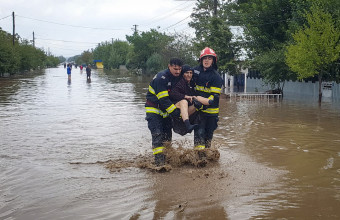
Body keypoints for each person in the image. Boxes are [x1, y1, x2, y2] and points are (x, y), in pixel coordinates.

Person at [145, 58, 183, 167]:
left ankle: (167, 159)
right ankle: (159, 164)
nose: (177, 71)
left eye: (179, 69)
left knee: (167, 136)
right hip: (154, 109)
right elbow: (164, 100)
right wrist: (176, 113)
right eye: (175, 69)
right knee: (157, 134)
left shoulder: (177, 77)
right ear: (169, 66)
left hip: (165, 111)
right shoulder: (161, 78)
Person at [169, 64, 216, 136]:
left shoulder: (191, 84)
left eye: (191, 73)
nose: (189, 75)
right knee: (184, 101)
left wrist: (194, 97)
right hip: (177, 109)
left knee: (197, 99)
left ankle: (210, 102)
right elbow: (172, 94)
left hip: (186, 111)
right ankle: (188, 125)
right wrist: (185, 96)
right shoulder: (179, 82)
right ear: (183, 74)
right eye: (187, 73)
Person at [193, 47, 223, 158]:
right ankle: (199, 160)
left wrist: (200, 100)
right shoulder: (194, 71)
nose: (206, 60)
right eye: (204, 58)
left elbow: (214, 100)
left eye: (209, 58)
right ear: (201, 60)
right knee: (198, 135)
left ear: (213, 61)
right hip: (199, 112)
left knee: (207, 138)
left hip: (211, 114)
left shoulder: (216, 77)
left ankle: (206, 158)